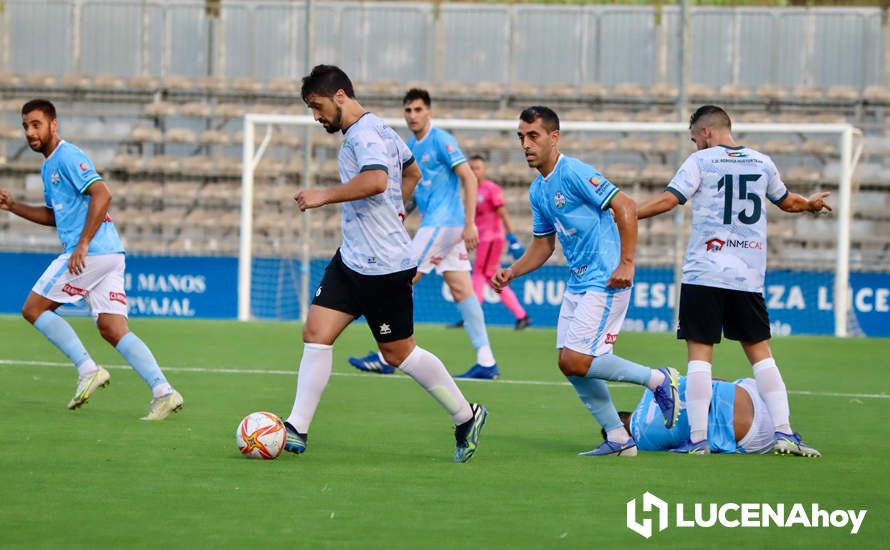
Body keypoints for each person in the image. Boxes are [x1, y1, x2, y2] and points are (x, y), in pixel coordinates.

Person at [283, 65, 488, 463]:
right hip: (352, 258)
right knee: (316, 332)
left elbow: (377, 180)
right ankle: (297, 427)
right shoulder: (381, 128)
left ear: (339, 95)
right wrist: (400, 207)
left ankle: (466, 415)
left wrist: (323, 195)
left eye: (318, 106)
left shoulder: (364, 135)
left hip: (384, 267)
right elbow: (413, 170)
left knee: (398, 354)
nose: (316, 116)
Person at [636, 105, 829, 456]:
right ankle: (785, 433)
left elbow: (670, 199)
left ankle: (698, 440)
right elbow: (787, 202)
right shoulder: (761, 162)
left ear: (706, 132)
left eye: (695, 139)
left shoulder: (701, 162)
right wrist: (811, 204)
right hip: (747, 275)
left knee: (699, 359)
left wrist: (628, 212)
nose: (695, 146)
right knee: (762, 357)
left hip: (704, 273)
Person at [491, 106, 680, 457]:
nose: (526, 144)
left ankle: (659, 379)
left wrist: (626, 262)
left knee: (576, 360)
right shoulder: (538, 190)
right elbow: (544, 244)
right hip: (578, 282)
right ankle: (618, 438)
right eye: (521, 137)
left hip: (606, 277)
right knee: (570, 363)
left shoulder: (574, 172)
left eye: (533, 136)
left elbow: (623, 205)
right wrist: (512, 271)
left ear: (553, 137)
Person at [0, 99, 183, 420]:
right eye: (26, 126)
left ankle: (87, 369)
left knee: (33, 308)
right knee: (112, 327)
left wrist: (82, 243)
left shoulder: (67, 156)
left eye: (36, 124)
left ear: (53, 124)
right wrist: (14, 206)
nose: (30, 132)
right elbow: (55, 216)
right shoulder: (48, 166)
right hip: (110, 253)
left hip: (91, 252)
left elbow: (103, 193)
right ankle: (163, 391)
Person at [348, 88, 500, 380]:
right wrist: (399, 213)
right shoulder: (410, 146)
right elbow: (417, 190)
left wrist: (470, 223)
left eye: (418, 110)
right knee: (462, 290)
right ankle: (487, 361)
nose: (413, 115)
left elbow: (468, 176)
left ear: (429, 111)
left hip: (445, 225)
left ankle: (385, 356)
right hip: (439, 226)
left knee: (400, 278)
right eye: (408, 110)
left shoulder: (441, 140)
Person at [613, 375, 798, 455]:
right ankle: (785, 431)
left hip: (756, 435)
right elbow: (705, 382)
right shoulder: (650, 390)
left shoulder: (643, 444)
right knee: (708, 383)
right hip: (757, 394)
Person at [469, 154, 531, 330]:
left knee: (479, 273)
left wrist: (512, 238)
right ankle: (521, 315)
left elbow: (503, 214)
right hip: (483, 238)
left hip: (492, 237)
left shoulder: (491, 189)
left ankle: (473, 315)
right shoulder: (473, 191)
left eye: (477, 168)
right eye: (471, 168)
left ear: (484, 170)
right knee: (490, 276)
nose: (474, 171)